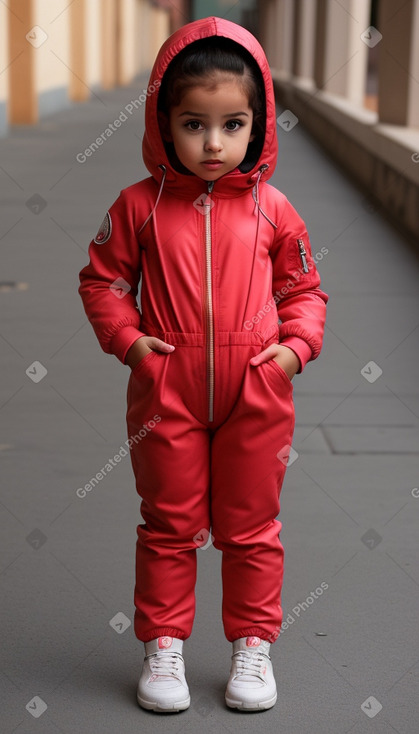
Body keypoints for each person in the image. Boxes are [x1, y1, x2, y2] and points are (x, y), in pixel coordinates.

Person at [78, 16, 328, 714]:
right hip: (167, 391)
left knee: (252, 526)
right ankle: (163, 646)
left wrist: (291, 351)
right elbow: (100, 282)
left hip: (258, 390)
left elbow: (303, 290)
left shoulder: (274, 210)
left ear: (259, 126)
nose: (213, 143)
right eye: (192, 124)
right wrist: (129, 342)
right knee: (168, 523)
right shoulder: (137, 207)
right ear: (163, 124)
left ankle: (253, 644)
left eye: (232, 123)